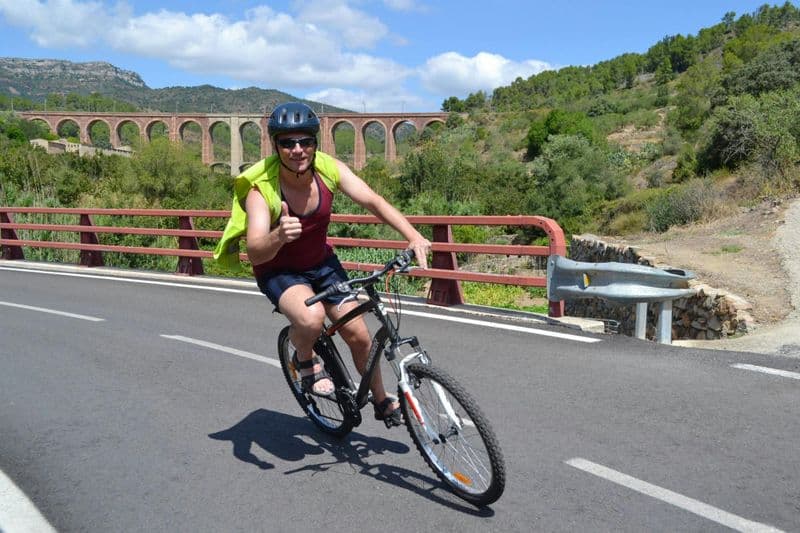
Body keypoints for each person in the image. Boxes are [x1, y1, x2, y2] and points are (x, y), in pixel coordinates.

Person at [214, 102, 431, 427]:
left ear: (316, 143)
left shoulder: (328, 169)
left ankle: (382, 400)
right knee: (311, 317)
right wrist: (278, 235)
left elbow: (373, 200)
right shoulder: (261, 189)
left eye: (306, 141)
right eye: (288, 143)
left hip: (321, 263)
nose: (297, 150)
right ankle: (304, 360)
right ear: (276, 146)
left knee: (359, 334)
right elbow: (257, 252)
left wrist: (413, 235)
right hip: (278, 270)